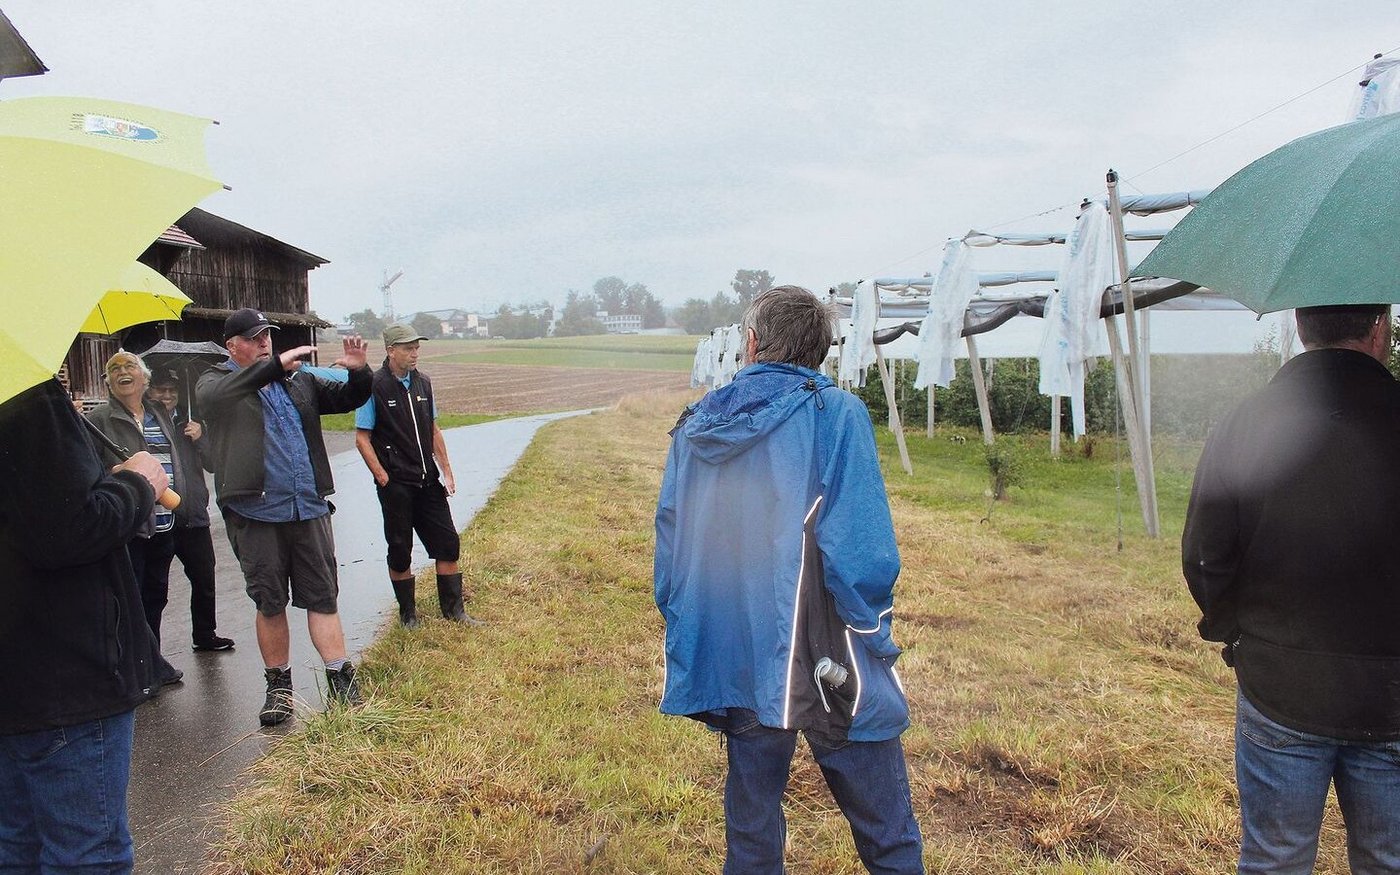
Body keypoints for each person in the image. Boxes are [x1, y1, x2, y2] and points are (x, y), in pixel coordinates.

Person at [654, 286, 925, 873]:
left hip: (743, 656)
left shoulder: (698, 423)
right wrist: (876, 635)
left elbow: (671, 551)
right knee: (886, 831)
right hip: (829, 656)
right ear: (822, 352)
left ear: (751, 344)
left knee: (751, 830)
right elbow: (861, 551)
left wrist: (690, 627)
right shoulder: (837, 416)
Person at [1183, 303, 1400, 873]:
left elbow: (1205, 555)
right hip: (1393, 691)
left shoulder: (1249, 421)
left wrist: (1237, 631)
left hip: (1282, 684)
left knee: (1276, 859)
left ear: (1301, 327)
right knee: (1388, 859)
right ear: (1381, 327)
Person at [0, 377, 169, 872]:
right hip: (64, 675)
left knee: (16, 847)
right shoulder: (23, 392)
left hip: (16, 675)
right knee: (87, 856)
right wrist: (138, 483)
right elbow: (67, 531)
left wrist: (93, 478)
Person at [196, 308, 372, 727]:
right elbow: (215, 400)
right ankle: (279, 688)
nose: (264, 343)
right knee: (269, 601)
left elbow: (350, 398)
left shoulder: (300, 381)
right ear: (231, 346)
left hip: (307, 507)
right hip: (255, 513)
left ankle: (340, 680)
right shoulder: (215, 382)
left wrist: (361, 372)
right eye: (254, 338)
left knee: (322, 597)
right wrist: (272, 366)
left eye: (267, 337)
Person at [354, 323, 479, 628]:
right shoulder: (374, 386)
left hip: (427, 481)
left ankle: (454, 612)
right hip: (396, 484)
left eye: (417, 347)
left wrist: (446, 470)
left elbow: (433, 430)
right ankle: (408, 615)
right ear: (391, 351)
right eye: (408, 348)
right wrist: (383, 476)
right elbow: (361, 438)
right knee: (400, 549)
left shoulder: (424, 383)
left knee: (448, 543)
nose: (415, 353)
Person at [86, 350, 187, 686]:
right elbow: (88, 470)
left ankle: (151, 660)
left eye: (129, 366)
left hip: (162, 522)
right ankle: (140, 670)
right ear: (108, 382)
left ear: (144, 378)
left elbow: (174, 458)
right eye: (114, 369)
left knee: (156, 596)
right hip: (129, 525)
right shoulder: (99, 420)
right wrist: (115, 472)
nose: (122, 372)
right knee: (130, 602)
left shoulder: (159, 413)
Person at [147, 368, 235, 652]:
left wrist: (201, 438)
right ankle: (152, 650)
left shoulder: (190, 423)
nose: (167, 395)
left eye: (172, 390)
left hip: (193, 512)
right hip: (161, 514)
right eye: (161, 389)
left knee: (204, 576)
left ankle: (205, 634)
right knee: (156, 587)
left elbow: (213, 463)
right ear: (149, 392)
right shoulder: (145, 422)